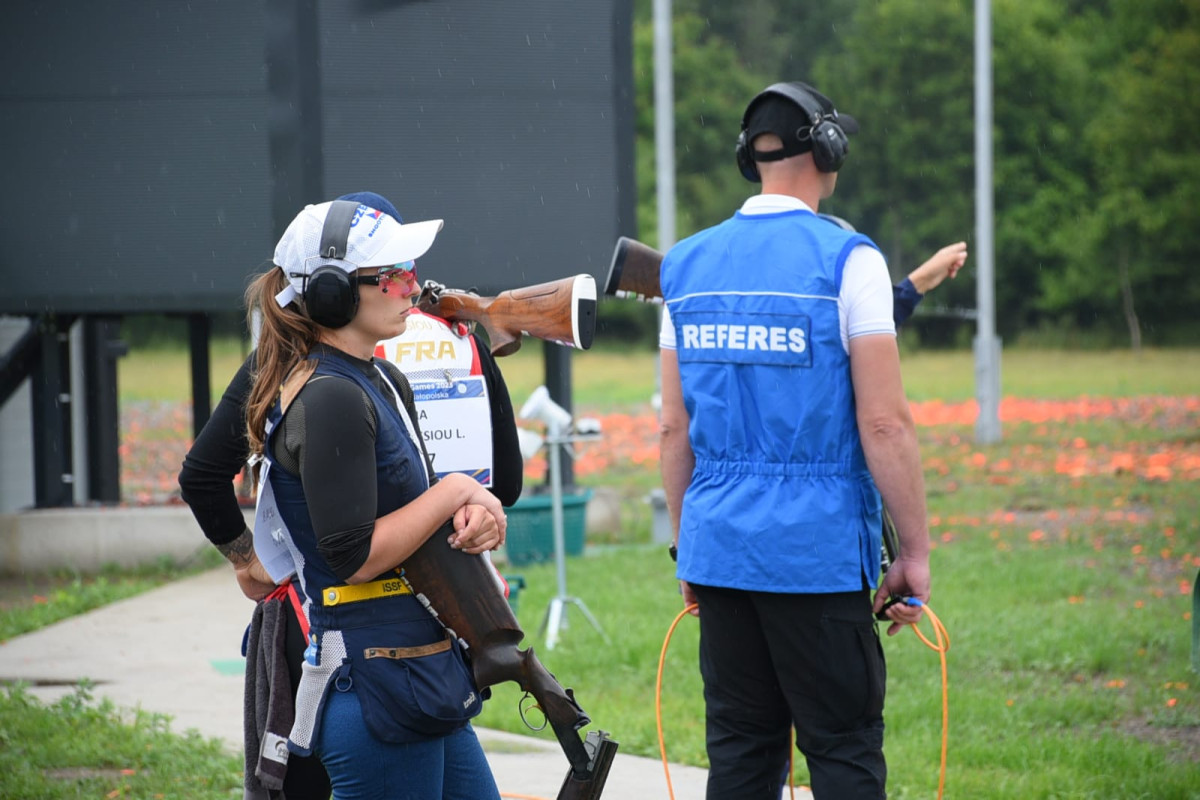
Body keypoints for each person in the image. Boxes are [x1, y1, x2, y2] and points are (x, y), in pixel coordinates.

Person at [179, 192, 522, 799]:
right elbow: (351, 555)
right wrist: (457, 491)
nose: (411, 287)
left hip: (417, 668)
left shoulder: (378, 378)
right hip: (376, 681)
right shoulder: (331, 395)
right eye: (390, 275)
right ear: (333, 294)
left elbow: (414, 502)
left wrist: (471, 508)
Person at [657, 81, 931, 799]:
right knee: (841, 750)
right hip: (814, 556)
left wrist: (691, 543)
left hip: (720, 551)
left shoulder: (683, 265)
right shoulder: (850, 261)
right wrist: (915, 551)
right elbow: (883, 423)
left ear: (751, 159)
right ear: (827, 149)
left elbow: (672, 428)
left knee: (743, 754)